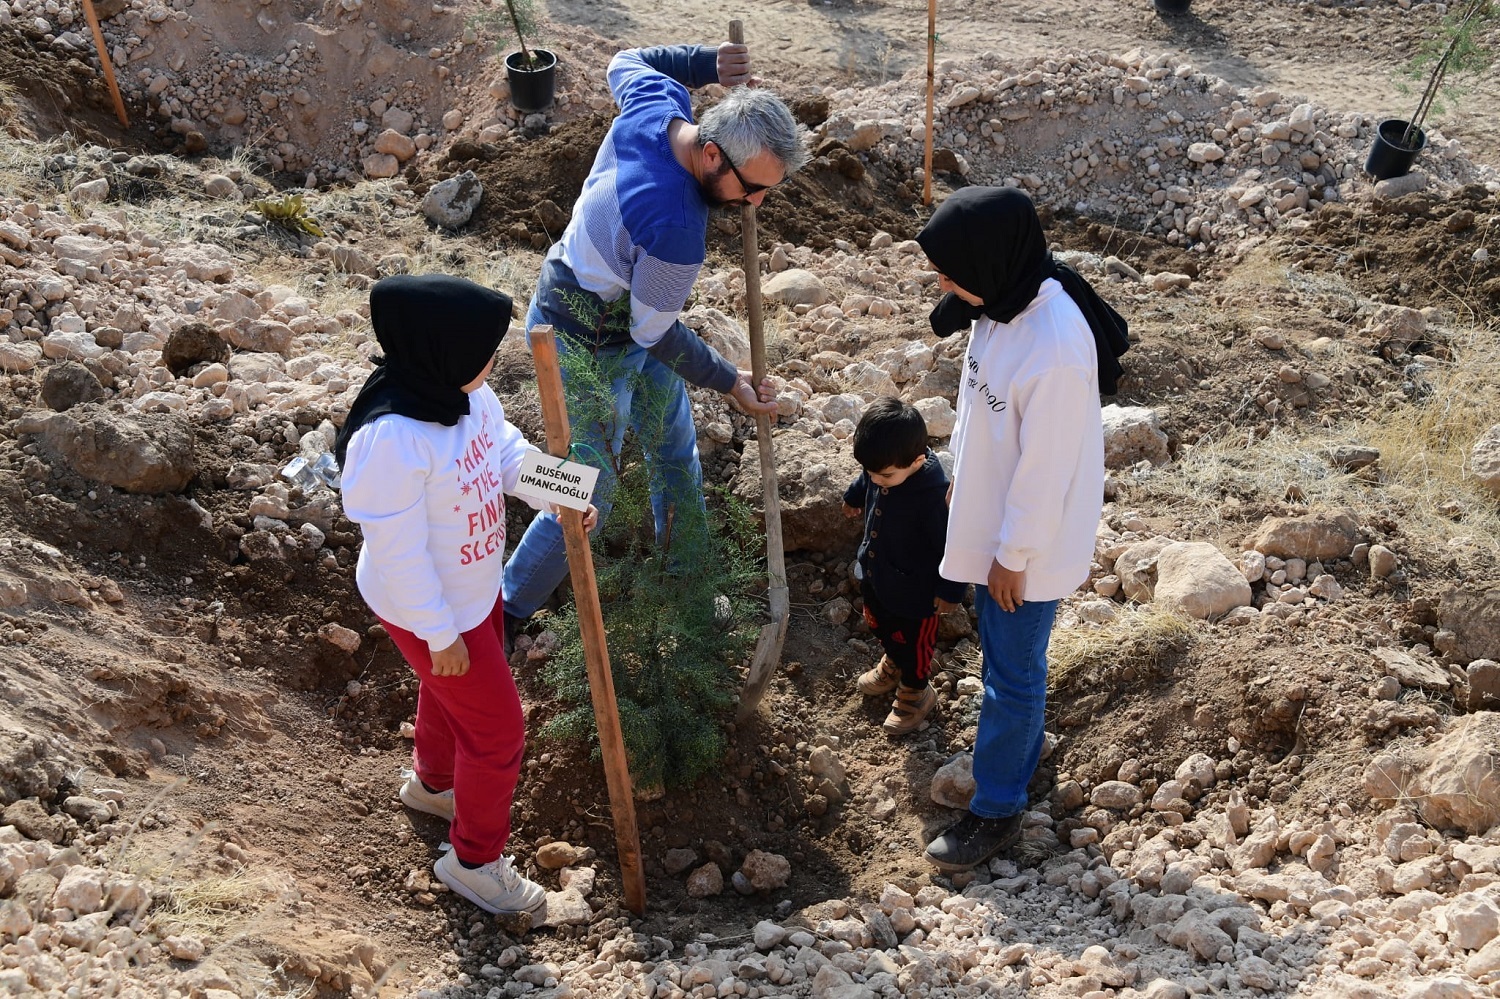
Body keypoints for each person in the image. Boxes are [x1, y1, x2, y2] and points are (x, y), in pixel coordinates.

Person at [500, 40, 808, 645]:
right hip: (575, 332)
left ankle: (686, 581)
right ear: (713, 153)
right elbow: (655, 332)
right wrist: (731, 382)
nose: (758, 204)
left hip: (622, 304)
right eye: (753, 189)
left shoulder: (658, 103)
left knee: (675, 452)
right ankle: (505, 612)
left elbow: (623, 60)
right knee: (585, 487)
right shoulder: (674, 227)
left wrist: (701, 66)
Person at [336, 274, 597, 914]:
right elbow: (399, 554)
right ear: (439, 350)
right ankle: (475, 860)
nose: (491, 361)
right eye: (481, 349)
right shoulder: (392, 440)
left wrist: (563, 489)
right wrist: (440, 633)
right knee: (499, 733)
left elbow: (504, 455)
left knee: (451, 693)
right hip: (425, 607)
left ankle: (433, 784)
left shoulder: (467, 399)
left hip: (472, 593)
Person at [915, 187, 1127, 872]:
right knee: (1003, 658)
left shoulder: (1058, 349)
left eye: (952, 273)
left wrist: (1011, 555)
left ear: (993, 264)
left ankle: (999, 806)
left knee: (1013, 671)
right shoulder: (1003, 295)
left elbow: (1046, 472)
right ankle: (1015, 754)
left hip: (1025, 543)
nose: (945, 286)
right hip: (991, 511)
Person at [841, 397, 966, 736]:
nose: (874, 479)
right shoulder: (885, 468)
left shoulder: (933, 497)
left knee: (915, 644)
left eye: (883, 475)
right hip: (878, 572)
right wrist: (855, 493)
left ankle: (915, 690)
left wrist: (951, 589)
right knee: (878, 620)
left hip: (916, 592)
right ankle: (894, 661)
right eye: (870, 472)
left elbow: (949, 545)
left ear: (917, 461)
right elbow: (868, 478)